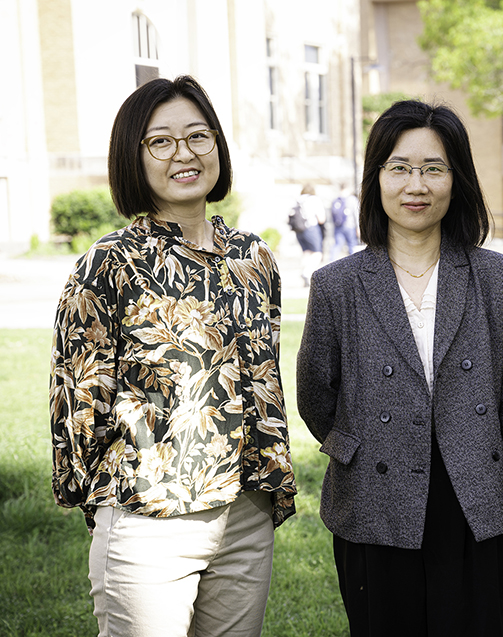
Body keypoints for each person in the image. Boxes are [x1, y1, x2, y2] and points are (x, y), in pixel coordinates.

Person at [49, 75, 297, 637]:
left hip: (245, 514)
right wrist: (111, 511)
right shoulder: (108, 265)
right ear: (132, 158)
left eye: (198, 136)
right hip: (148, 522)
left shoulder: (255, 257)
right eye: (161, 142)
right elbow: (76, 404)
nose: (184, 154)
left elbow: (264, 383)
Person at [296, 100, 503, 636]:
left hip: (474, 501)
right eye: (400, 168)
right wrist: (355, 448)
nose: (417, 185)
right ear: (376, 178)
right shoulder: (338, 284)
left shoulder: (495, 277)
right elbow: (316, 393)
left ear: (457, 181)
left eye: (434, 169)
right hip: (373, 501)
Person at [293, 184, 327, 286]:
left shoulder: (298, 199)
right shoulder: (314, 199)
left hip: (299, 230)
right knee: (317, 253)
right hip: (311, 228)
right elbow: (321, 219)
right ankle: (307, 273)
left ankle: (303, 271)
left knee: (306, 252)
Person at [328, 183, 360, 260]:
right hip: (350, 226)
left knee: (337, 245)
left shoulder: (336, 199)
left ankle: (331, 262)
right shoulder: (352, 199)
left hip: (338, 226)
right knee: (352, 245)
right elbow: (356, 214)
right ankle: (354, 264)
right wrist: (358, 228)